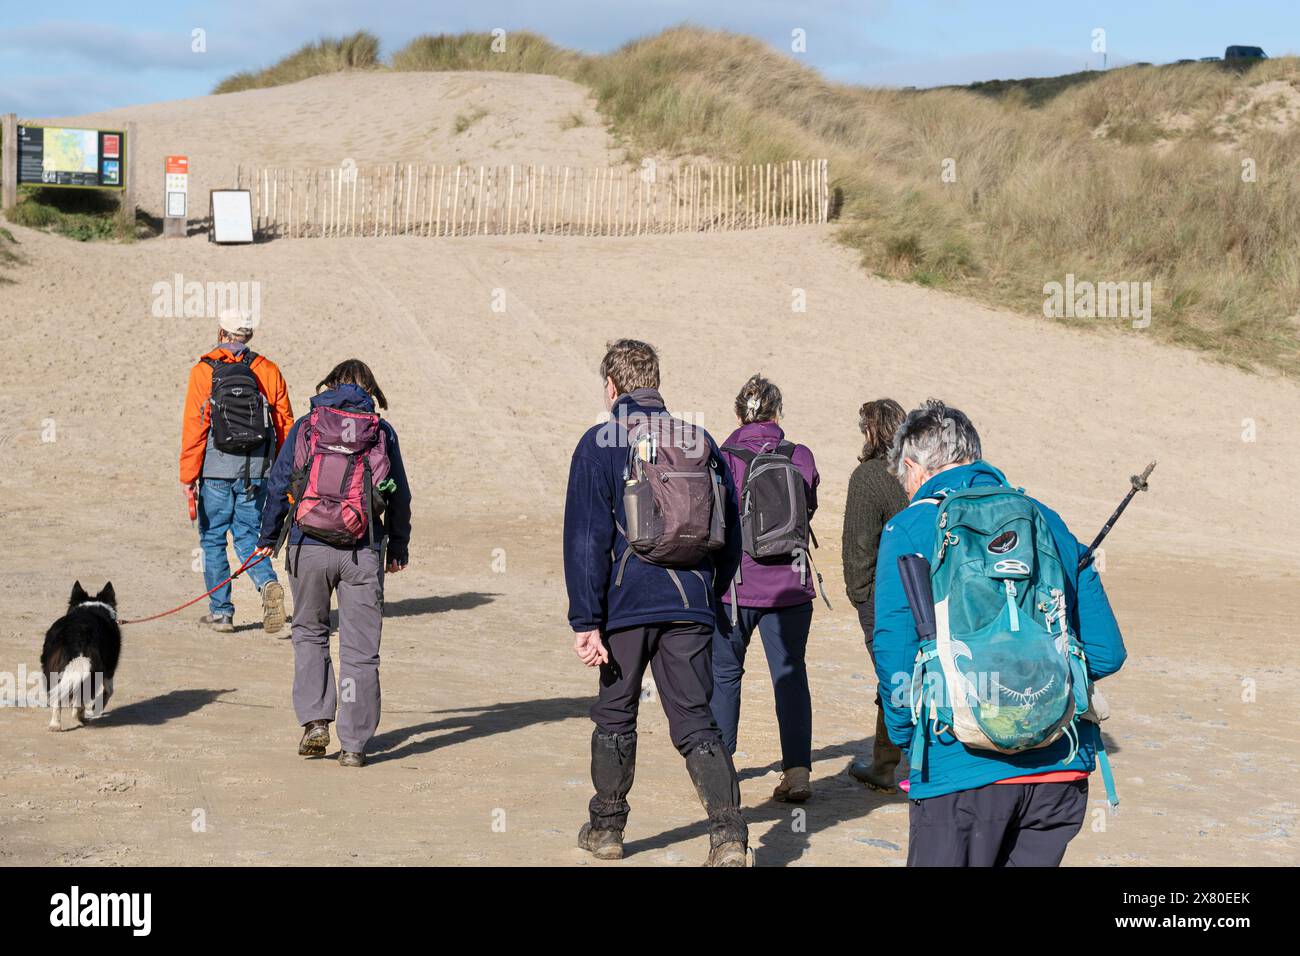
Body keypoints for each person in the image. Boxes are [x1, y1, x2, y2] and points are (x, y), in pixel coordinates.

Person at [872, 399, 1127, 866]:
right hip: (1058, 771)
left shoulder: (907, 529)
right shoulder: (1046, 518)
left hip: (958, 767)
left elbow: (895, 661)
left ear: (912, 466)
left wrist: (910, 742)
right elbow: (1107, 653)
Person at [564, 339, 749, 866]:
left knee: (615, 713)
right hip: (691, 600)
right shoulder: (699, 437)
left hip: (624, 603)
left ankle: (606, 831)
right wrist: (708, 593)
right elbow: (730, 532)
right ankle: (729, 836)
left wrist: (585, 618)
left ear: (612, 386)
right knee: (695, 719)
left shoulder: (598, 441)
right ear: (656, 381)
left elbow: (586, 538)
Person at [254, 360, 411, 768]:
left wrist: (268, 539)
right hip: (362, 549)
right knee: (360, 651)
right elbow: (400, 495)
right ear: (369, 390)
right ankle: (355, 745)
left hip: (308, 546)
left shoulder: (309, 424)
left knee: (309, 632)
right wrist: (398, 547)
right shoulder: (380, 432)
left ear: (331, 385)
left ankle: (316, 723)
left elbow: (279, 481)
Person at [711, 375, 821, 803]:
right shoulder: (800, 456)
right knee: (790, 676)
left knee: (724, 677)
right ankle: (797, 773)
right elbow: (808, 506)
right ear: (778, 412)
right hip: (791, 587)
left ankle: (722, 772)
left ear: (739, 413)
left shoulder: (722, 456)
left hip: (735, 588)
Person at [179, 309, 294, 634]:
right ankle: (267, 583)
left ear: (221, 332)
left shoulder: (204, 370)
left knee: (214, 539)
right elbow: (285, 422)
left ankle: (222, 613)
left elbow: (195, 428)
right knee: (247, 537)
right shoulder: (267, 369)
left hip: (215, 470)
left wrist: (188, 477)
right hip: (257, 471)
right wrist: (284, 472)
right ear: (249, 336)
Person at [841, 398, 909, 791]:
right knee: (906, 673)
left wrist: (861, 597)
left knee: (896, 675)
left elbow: (858, 551)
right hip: (930, 593)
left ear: (871, 430)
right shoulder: (920, 472)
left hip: (886, 600)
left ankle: (901, 766)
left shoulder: (868, 477)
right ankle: (884, 763)